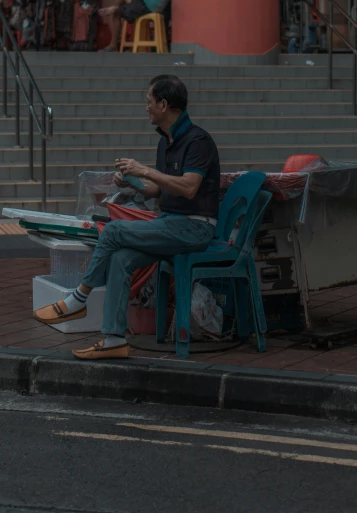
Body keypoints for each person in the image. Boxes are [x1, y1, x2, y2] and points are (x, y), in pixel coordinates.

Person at [34, 74, 220, 360]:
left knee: (112, 231)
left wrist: (143, 169)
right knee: (121, 258)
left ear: (164, 104)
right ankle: (113, 340)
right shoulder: (166, 142)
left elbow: (189, 186)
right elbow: (157, 189)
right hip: (169, 223)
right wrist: (132, 180)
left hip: (195, 228)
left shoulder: (198, 141)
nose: (146, 108)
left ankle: (79, 298)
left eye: (149, 102)